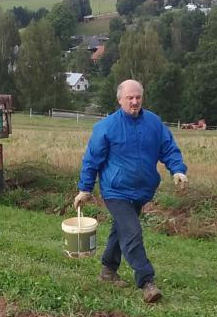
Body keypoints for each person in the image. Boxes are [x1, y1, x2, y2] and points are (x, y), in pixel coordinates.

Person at [73, 79, 188, 303]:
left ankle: (108, 271)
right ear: (120, 100)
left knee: (122, 229)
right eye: (130, 98)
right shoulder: (106, 127)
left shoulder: (154, 123)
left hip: (142, 191)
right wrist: (85, 189)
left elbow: (168, 148)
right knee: (132, 232)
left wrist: (177, 170)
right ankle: (147, 281)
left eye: (138, 97)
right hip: (115, 191)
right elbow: (91, 159)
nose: (134, 102)